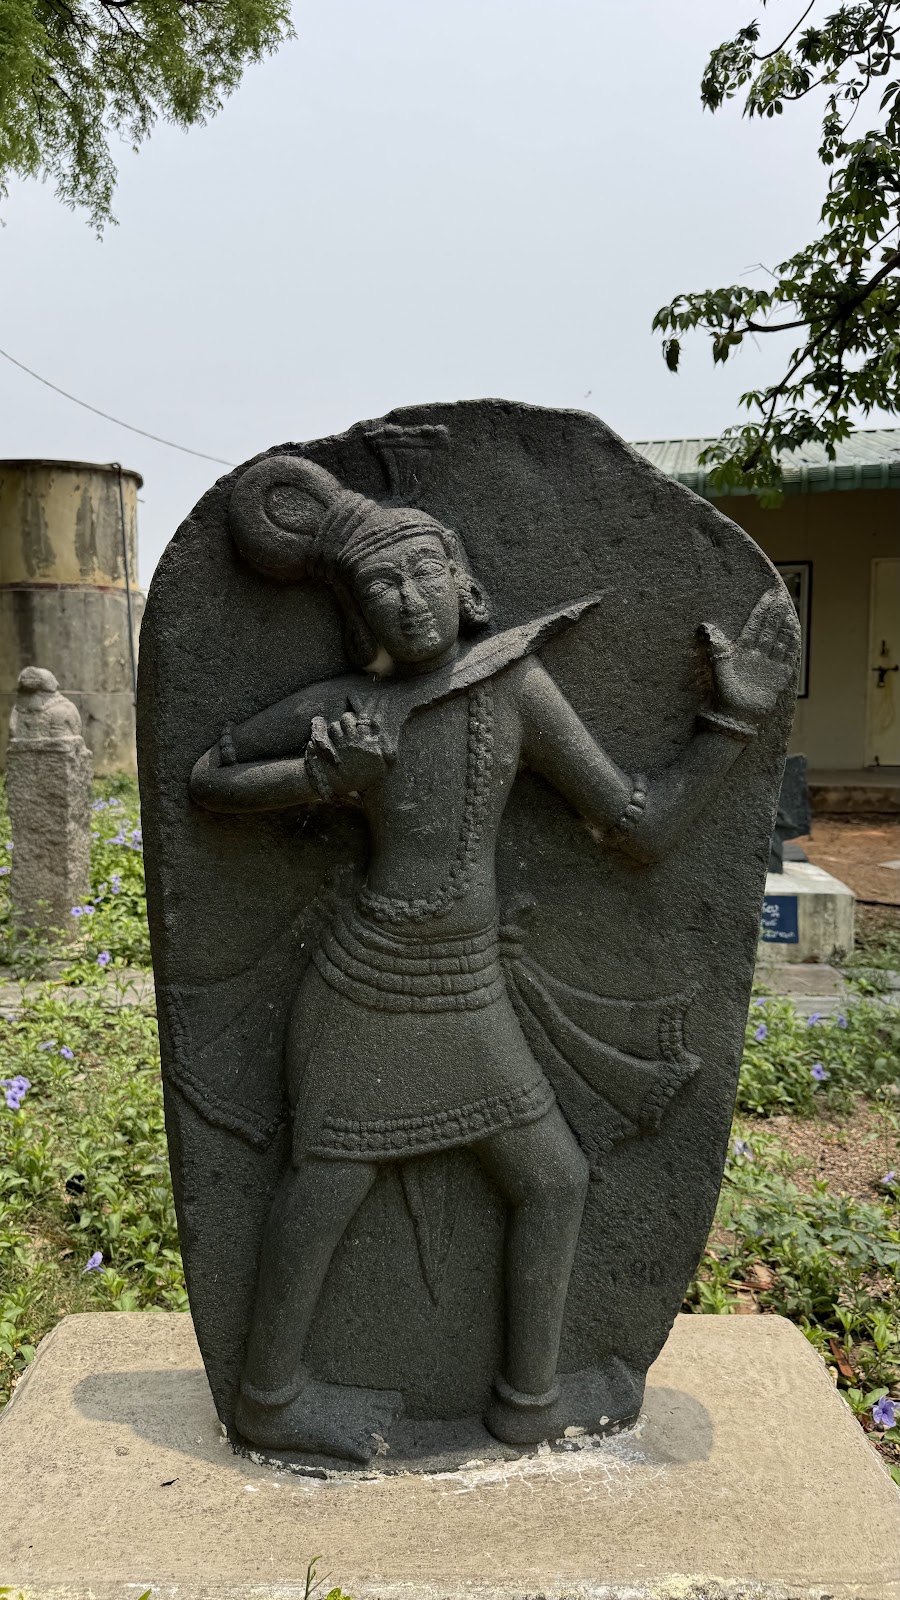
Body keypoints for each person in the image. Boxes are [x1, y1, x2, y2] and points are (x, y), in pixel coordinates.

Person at [190, 455, 796, 1459]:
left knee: (552, 1178)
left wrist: (730, 718)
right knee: (326, 1186)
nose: (407, 597)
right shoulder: (353, 706)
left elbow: (638, 825)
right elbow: (210, 775)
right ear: (357, 618)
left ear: (466, 583)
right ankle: (270, 1397)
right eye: (380, 587)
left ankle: (524, 1399)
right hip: (370, 983)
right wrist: (317, 776)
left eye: (424, 572)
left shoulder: (515, 685)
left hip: (465, 986)